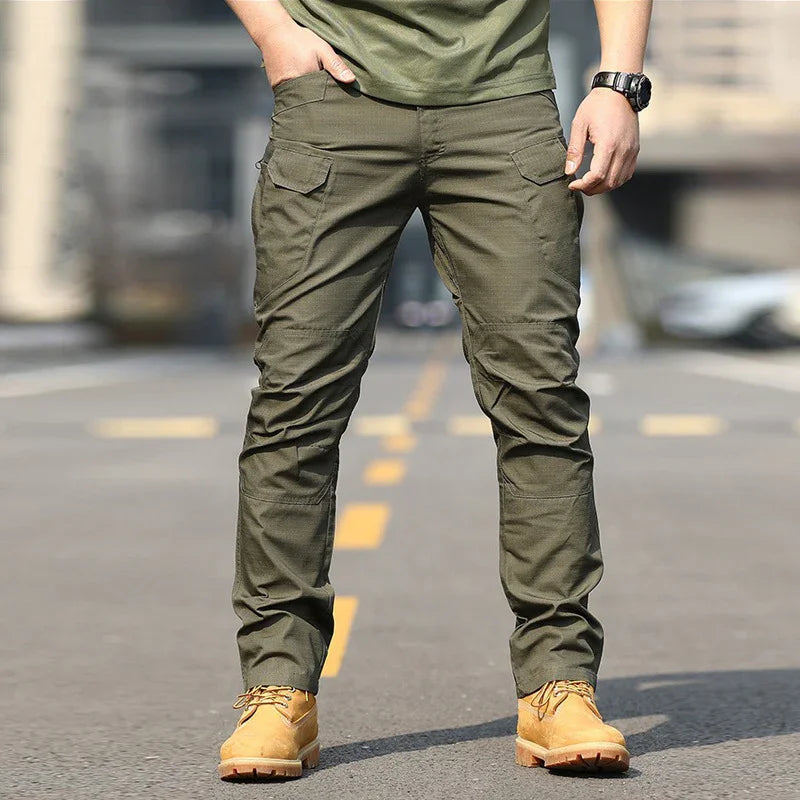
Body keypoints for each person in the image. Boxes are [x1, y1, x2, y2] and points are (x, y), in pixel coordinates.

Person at [219, 0, 652, 780]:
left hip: (506, 103)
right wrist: (273, 32)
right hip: (334, 100)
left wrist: (617, 82)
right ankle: (278, 688)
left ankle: (559, 685)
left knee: (540, 399)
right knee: (295, 403)